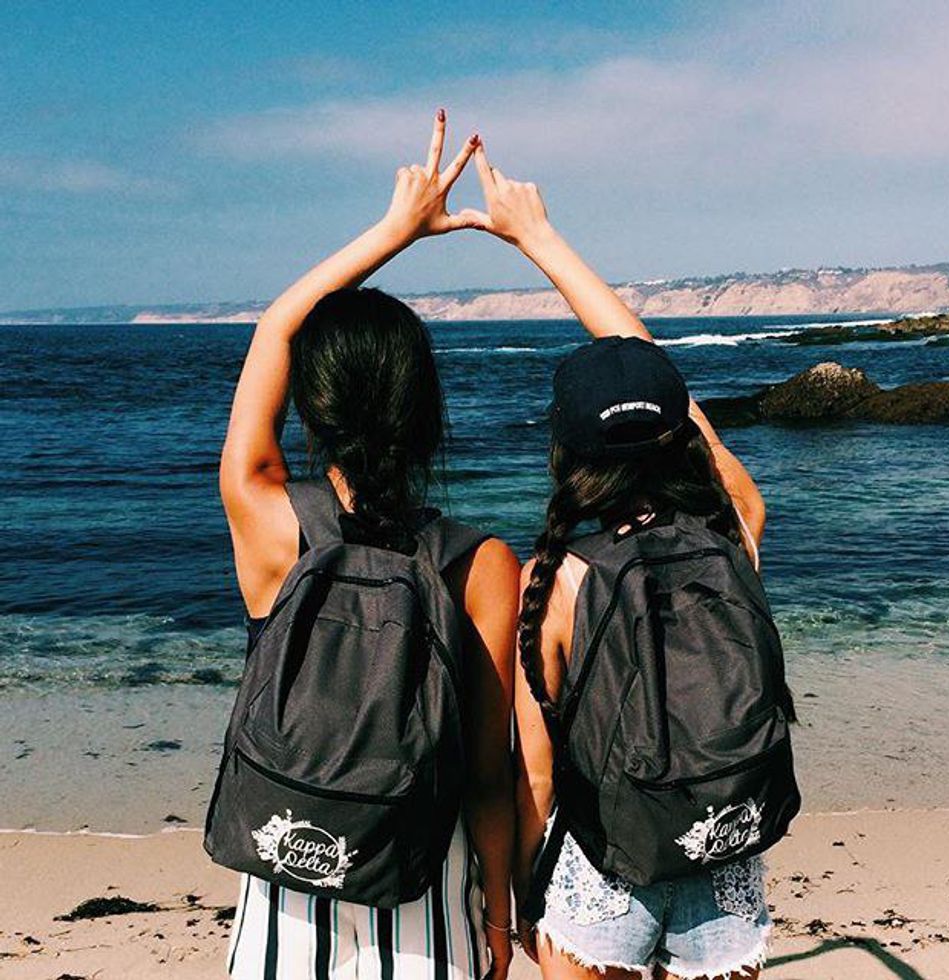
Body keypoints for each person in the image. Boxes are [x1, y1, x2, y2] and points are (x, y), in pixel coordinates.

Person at [218, 112, 519, 980]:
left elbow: (274, 330)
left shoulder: (270, 525)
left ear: (312, 409)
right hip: (426, 909)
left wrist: (393, 232)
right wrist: (500, 913)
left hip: (282, 907)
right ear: (426, 414)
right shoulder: (478, 564)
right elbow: (487, 777)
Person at [464, 142, 773, 979]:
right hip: (722, 847)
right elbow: (672, 394)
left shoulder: (560, 578)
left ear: (568, 454)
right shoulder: (735, 530)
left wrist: (519, 899)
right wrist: (544, 239)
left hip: (603, 867)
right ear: (679, 437)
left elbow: (535, 774)